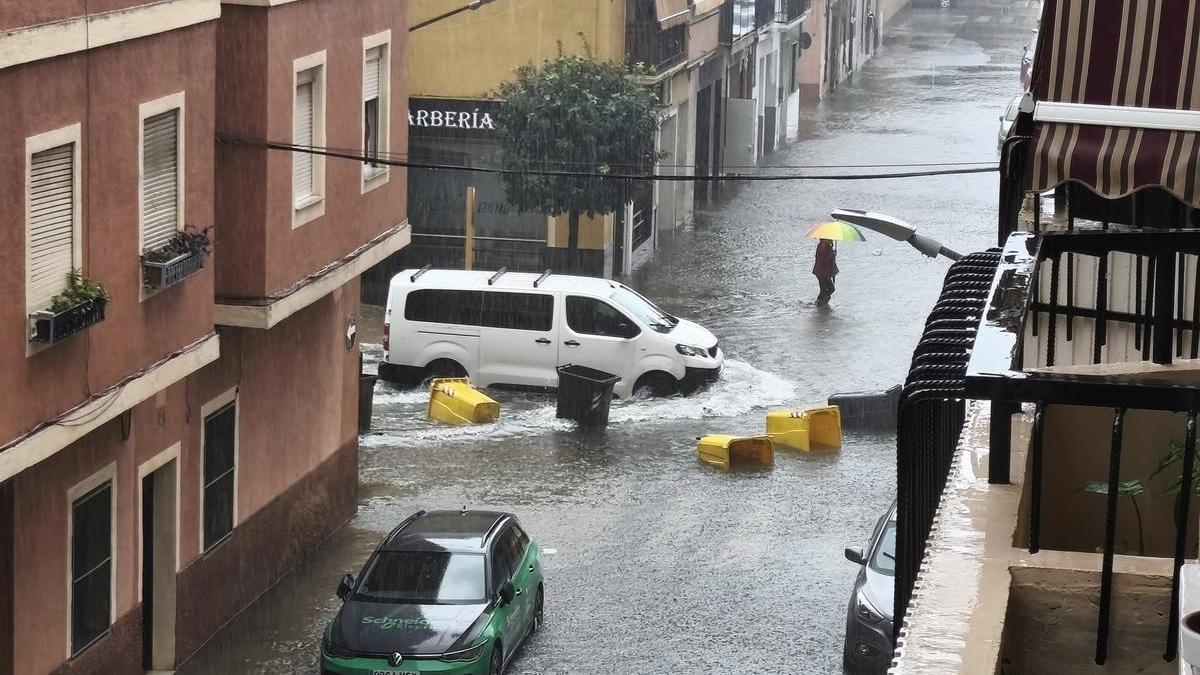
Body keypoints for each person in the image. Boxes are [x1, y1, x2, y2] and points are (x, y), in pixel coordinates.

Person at [813, 238, 838, 305]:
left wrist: (832, 253)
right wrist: (832, 254)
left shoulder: (826, 245)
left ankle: (822, 303)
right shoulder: (822, 246)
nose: (832, 239)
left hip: (823, 272)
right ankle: (820, 303)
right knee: (828, 289)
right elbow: (823, 260)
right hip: (822, 272)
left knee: (827, 290)